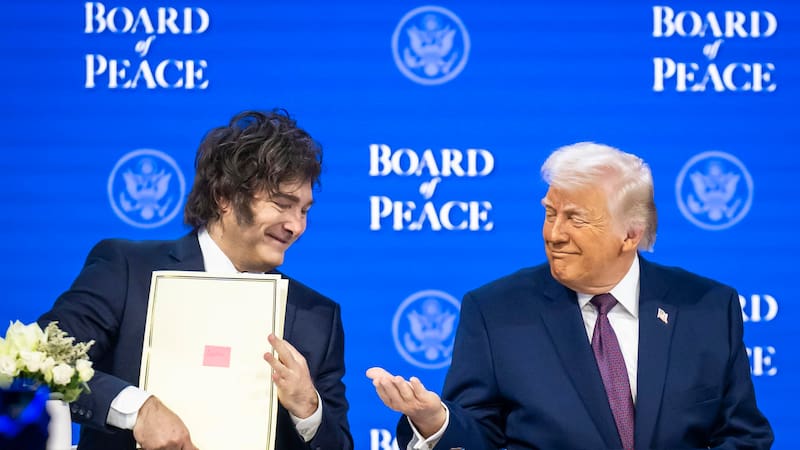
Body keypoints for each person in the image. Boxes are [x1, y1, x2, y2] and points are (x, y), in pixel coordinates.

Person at [368, 142, 773, 449]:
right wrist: (433, 419)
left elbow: (743, 436)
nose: (554, 233)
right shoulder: (495, 312)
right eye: (550, 213)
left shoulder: (707, 307)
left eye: (575, 218)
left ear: (630, 234)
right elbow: (480, 436)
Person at [38, 110, 353, 450]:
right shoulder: (127, 269)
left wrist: (308, 408)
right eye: (282, 204)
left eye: (304, 210)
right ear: (225, 197)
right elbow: (42, 362)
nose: (296, 226)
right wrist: (136, 409)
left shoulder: (315, 316)